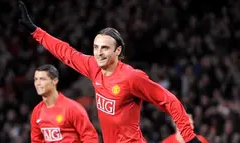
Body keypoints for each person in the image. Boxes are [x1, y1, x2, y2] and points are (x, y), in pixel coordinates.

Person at [18, 1, 201, 142]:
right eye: (96, 47)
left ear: (118, 51)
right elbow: (65, 52)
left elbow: (169, 100)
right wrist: (35, 31)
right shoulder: (93, 66)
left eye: (105, 48)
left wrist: (189, 136)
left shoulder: (131, 77)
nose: (98, 52)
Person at [31, 64, 98, 142]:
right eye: (35, 79)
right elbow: (36, 140)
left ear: (54, 81)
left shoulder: (72, 108)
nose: (38, 83)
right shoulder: (37, 111)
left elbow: (90, 137)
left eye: (42, 79)